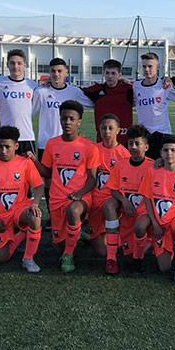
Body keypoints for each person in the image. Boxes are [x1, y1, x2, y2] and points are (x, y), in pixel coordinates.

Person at [30, 101, 99, 273]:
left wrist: (80, 193)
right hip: (56, 198)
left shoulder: (89, 147)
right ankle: (76, 233)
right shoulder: (52, 144)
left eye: (71, 118)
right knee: (58, 245)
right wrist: (33, 160)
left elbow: (92, 179)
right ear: (59, 120)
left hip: (80, 197)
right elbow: (47, 172)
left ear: (79, 122)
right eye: (64, 118)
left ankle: (68, 256)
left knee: (73, 211)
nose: (67, 122)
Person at [0, 126, 44, 272]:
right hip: (0, 216)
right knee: (1, 258)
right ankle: (20, 234)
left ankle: (28, 258)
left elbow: (39, 186)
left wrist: (35, 204)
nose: (3, 151)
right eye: (0, 146)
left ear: (16, 146)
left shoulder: (25, 163)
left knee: (35, 217)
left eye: (7, 147)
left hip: (19, 210)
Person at [133, 134, 175, 283]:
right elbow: (147, 198)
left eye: (173, 150)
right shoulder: (152, 171)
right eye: (166, 150)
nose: (169, 154)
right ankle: (140, 257)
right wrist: (155, 223)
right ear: (160, 153)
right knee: (164, 268)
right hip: (156, 219)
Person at [103, 124, 154, 272]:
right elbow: (113, 189)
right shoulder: (120, 165)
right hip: (127, 215)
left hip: (145, 216)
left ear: (146, 147)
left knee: (156, 262)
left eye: (138, 143)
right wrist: (124, 201)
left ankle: (148, 247)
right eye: (130, 143)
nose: (133, 147)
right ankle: (111, 258)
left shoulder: (153, 166)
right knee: (127, 259)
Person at [88, 114, 130, 263]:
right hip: (95, 203)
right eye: (103, 128)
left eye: (110, 128)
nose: (106, 131)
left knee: (121, 249)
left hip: (114, 202)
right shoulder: (93, 149)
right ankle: (92, 233)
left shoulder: (124, 154)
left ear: (118, 130)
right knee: (101, 251)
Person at [132, 52, 175, 158]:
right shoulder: (135, 86)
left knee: (161, 169)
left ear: (157, 67)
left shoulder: (165, 86)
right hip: (143, 136)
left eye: (150, 66)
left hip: (162, 135)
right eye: (144, 66)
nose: (146, 69)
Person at [0, 49, 38, 155]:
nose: (16, 66)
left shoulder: (32, 85)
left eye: (19, 63)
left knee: (29, 169)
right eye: (12, 63)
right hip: (5, 136)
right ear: (7, 65)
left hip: (26, 136)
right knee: (3, 169)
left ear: (25, 65)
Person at [81, 59, 134, 144]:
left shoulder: (129, 90)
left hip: (124, 141)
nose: (110, 76)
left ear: (119, 75)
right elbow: (75, 92)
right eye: (107, 73)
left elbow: (145, 88)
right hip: (103, 141)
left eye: (113, 73)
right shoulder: (96, 90)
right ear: (103, 74)